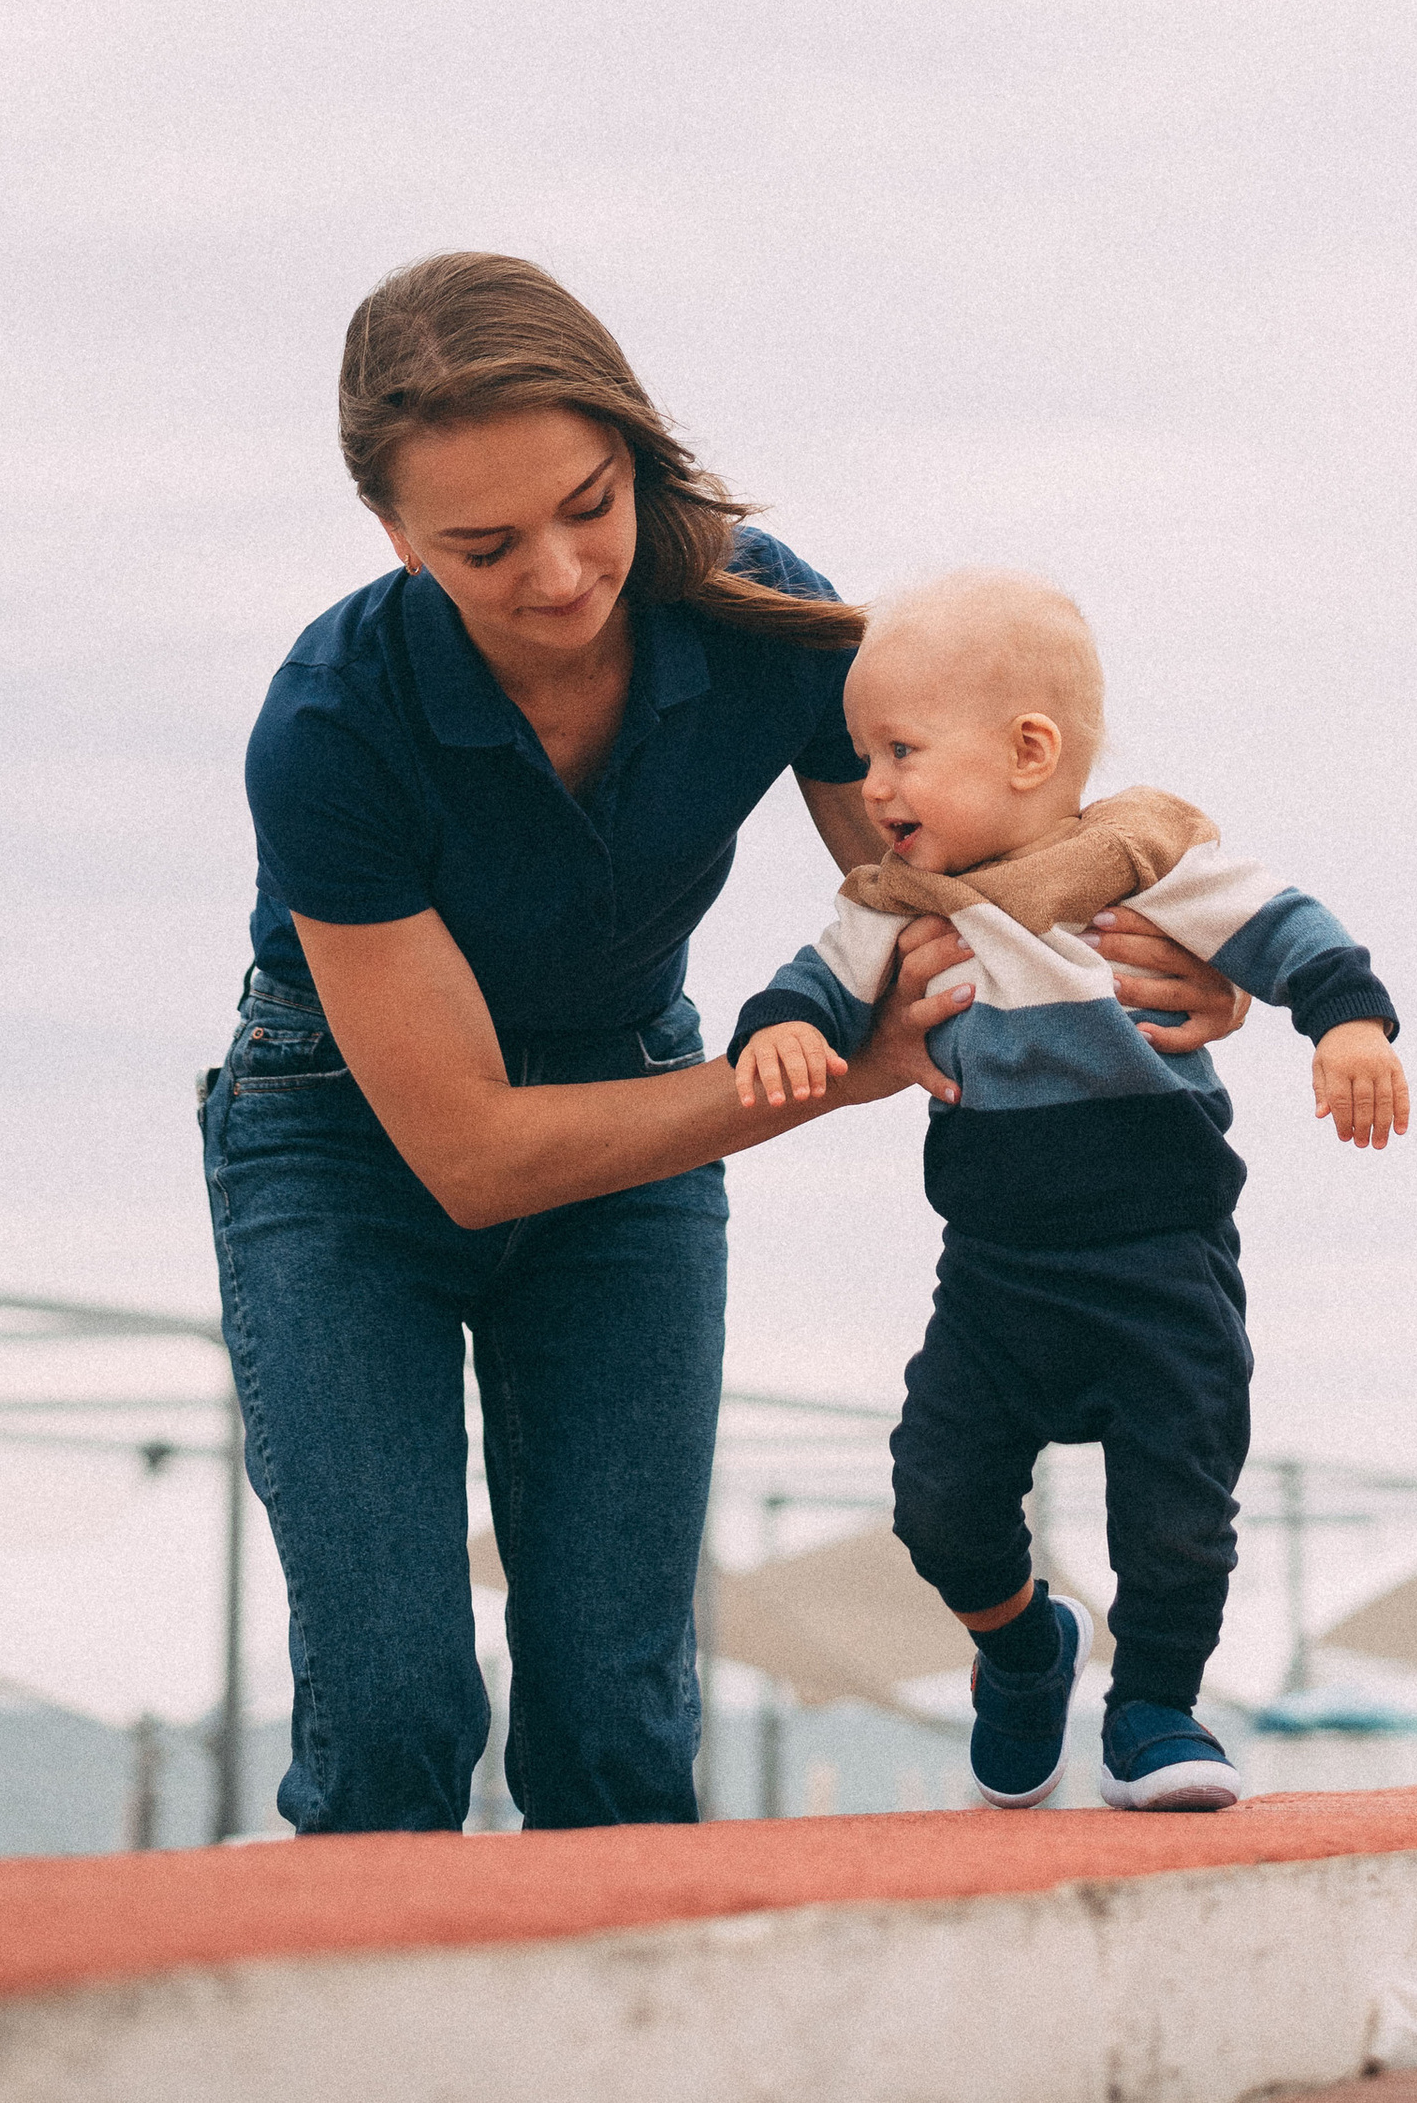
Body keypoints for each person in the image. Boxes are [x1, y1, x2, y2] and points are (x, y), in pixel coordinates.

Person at [202, 257, 1250, 1836]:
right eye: (484, 546)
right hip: (351, 1146)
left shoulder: (759, 607)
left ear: (636, 451)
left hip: (640, 1087)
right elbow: (473, 1156)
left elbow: (946, 882)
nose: (560, 573)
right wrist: (839, 1067)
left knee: (618, 1720)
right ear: (395, 537)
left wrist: (1170, 961)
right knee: (398, 1710)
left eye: (590, 501)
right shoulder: (330, 725)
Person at [730, 568, 1408, 1812]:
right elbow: (815, 980)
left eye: (898, 751)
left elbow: (1287, 927)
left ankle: (1154, 1709)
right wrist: (777, 1030)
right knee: (936, 1497)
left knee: (1177, 1504)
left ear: (1028, 751)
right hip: (993, 1271)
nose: (869, 786)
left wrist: (1349, 1027)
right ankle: (1020, 1644)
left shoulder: (1140, 858)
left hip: (1158, 1259)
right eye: (861, 754)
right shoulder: (900, 901)